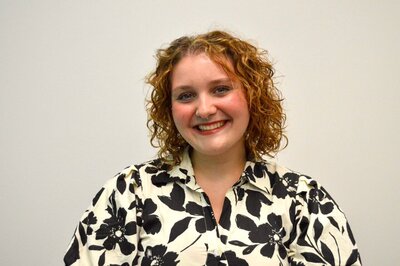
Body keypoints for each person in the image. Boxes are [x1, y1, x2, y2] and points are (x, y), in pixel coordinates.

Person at [64, 30, 362, 265]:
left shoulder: (305, 200)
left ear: (252, 97)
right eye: (186, 95)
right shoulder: (128, 193)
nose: (204, 109)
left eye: (221, 89)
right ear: (169, 109)